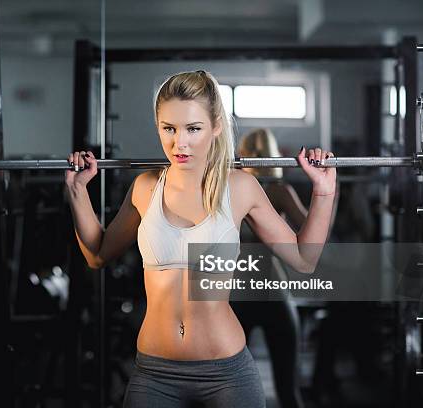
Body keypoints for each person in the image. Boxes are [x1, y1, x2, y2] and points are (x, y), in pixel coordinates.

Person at [65, 70, 336, 408]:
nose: (180, 143)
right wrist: (78, 191)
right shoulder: (146, 187)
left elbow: (303, 259)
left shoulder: (240, 187)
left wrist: (323, 192)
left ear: (216, 126)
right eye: (169, 129)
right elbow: (98, 255)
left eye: (193, 129)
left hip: (227, 375)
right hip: (154, 375)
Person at [232, 128, 309, 408]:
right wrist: (329, 198)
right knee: (286, 391)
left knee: (232, 390)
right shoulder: (274, 191)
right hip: (263, 292)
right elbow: (314, 233)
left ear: (244, 155)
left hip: (248, 293)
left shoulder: (240, 190)